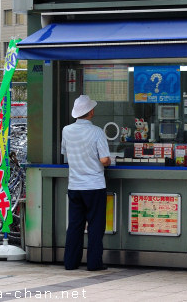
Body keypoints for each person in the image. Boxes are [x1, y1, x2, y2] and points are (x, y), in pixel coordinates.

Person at [61, 95, 111, 271]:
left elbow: (65, 154)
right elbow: (104, 159)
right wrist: (109, 161)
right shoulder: (97, 131)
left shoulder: (66, 130)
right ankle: (94, 264)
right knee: (95, 226)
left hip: (75, 185)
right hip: (94, 185)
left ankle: (70, 262)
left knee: (75, 225)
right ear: (90, 111)